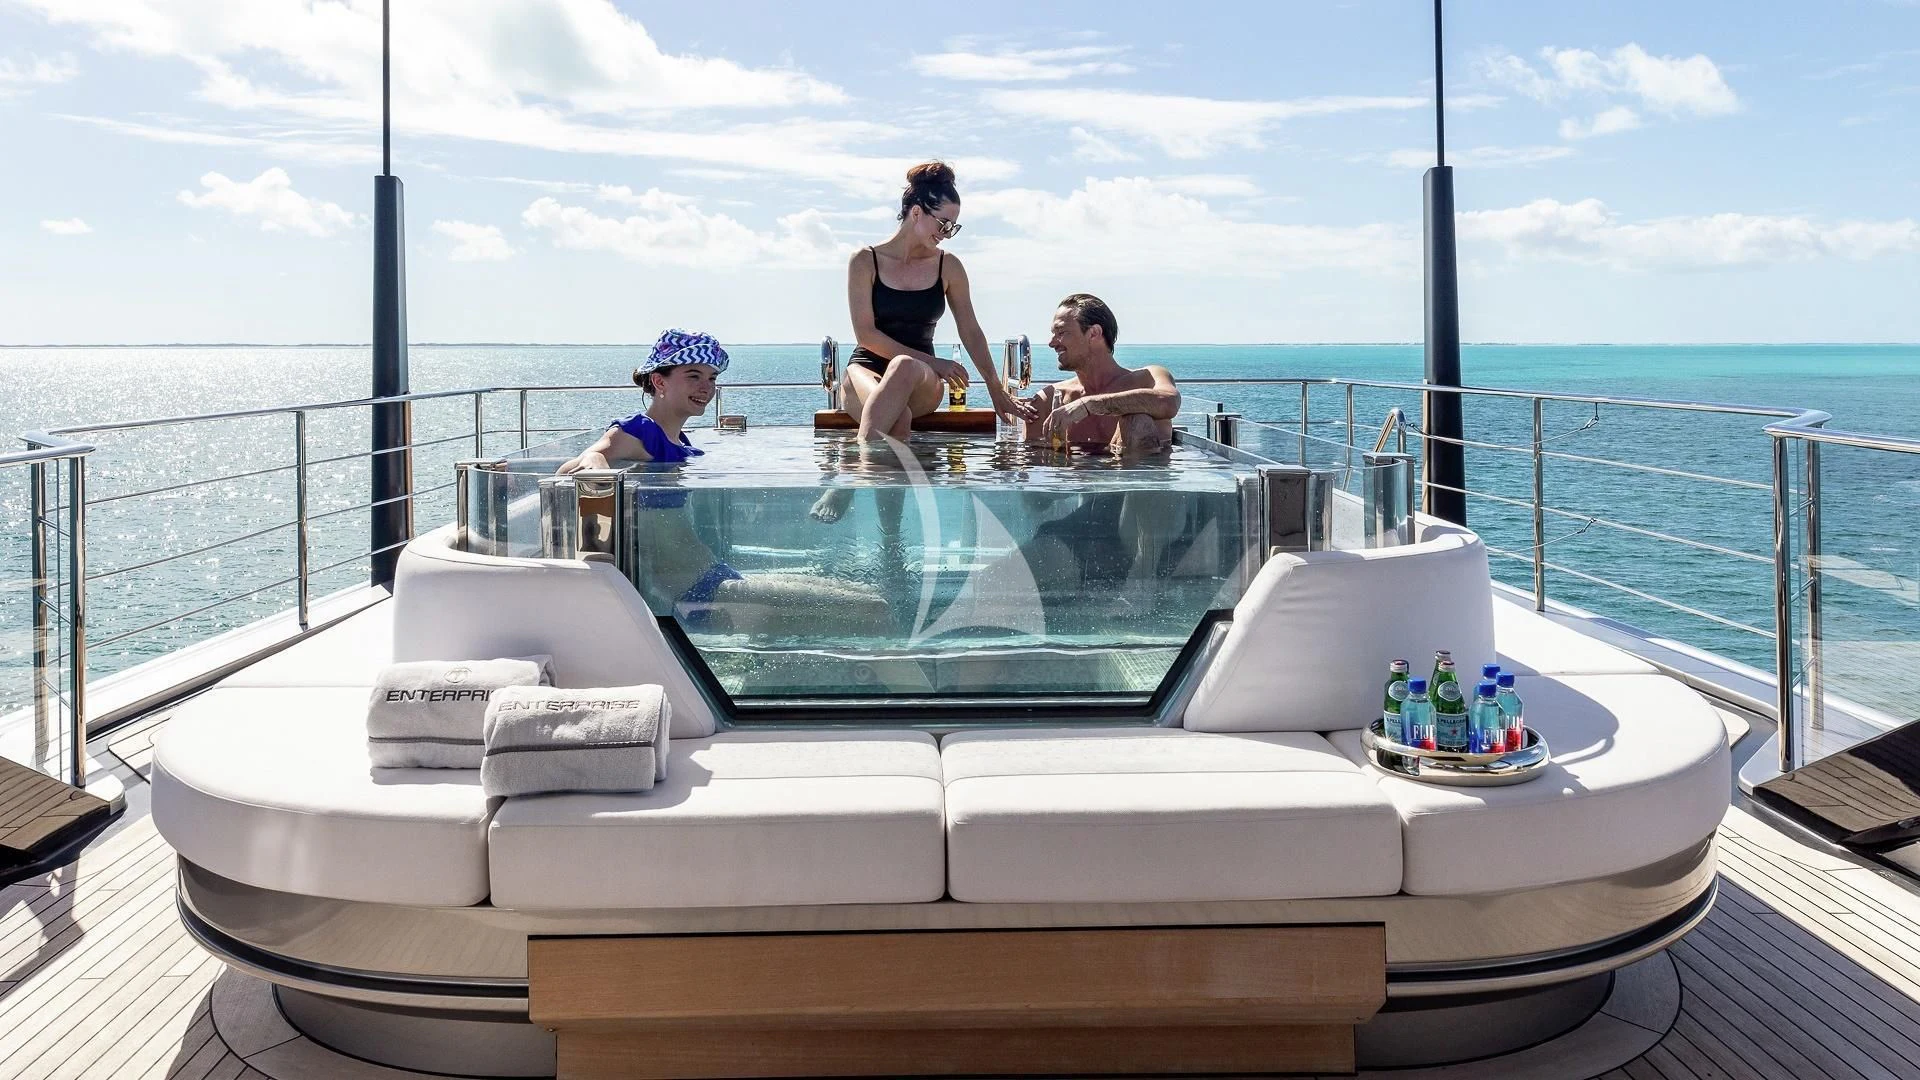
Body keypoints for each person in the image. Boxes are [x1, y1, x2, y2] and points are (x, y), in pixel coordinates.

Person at [559, 329, 888, 636]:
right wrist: (596, 466)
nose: (707, 387)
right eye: (693, 376)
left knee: (869, 595)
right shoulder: (638, 431)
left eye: (712, 378)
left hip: (715, 577)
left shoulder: (679, 442)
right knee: (872, 610)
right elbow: (582, 461)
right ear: (659, 381)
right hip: (694, 597)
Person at [838, 160, 1030, 442]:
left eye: (953, 227)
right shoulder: (865, 261)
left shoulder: (948, 266)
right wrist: (936, 362)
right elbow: (866, 335)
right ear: (916, 212)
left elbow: (970, 330)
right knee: (897, 418)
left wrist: (995, 387)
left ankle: (859, 467)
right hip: (865, 370)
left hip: (920, 377)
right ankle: (876, 469)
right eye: (943, 224)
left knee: (904, 366)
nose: (946, 234)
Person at [1026, 293, 1180, 455]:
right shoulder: (1048, 401)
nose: (1052, 343)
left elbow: (1169, 403)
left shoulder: (1148, 379)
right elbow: (1030, 465)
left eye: (1061, 333)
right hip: (1073, 472)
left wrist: (1089, 405)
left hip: (1140, 471)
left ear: (1094, 333)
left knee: (1136, 419)